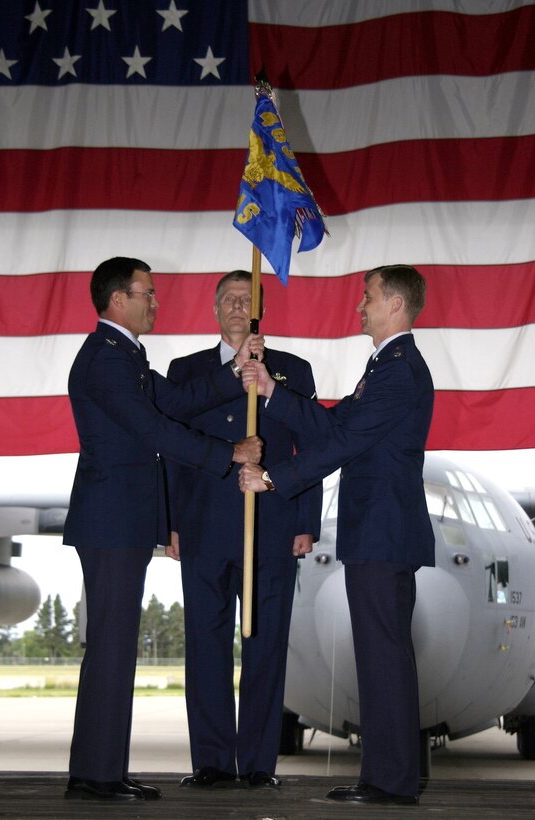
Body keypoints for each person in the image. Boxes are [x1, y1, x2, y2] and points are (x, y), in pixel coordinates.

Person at [63, 257, 263, 803]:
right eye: (147, 294)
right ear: (117, 300)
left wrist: (233, 371)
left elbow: (176, 401)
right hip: (111, 522)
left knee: (114, 646)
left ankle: (99, 769)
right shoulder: (107, 360)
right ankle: (97, 776)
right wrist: (229, 454)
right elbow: (156, 428)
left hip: (119, 521)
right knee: (110, 647)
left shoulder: (124, 356)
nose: (156, 302)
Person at [239, 264, 435, 806]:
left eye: (368, 297)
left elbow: (343, 442)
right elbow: (333, 426)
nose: (360, 306)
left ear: (395, 304)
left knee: (384, 657)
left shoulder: (398, 370)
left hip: (383, 532)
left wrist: (274, 478)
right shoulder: (384, 367)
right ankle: (385, 777)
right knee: (378, 657)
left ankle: (391, 782)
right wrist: (271, 390)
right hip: (376, 531)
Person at [166, 270, 322, 788]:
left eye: (246, 298)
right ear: (214, 308)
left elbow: (311, 449)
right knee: (205, 646)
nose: (237, 306)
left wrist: (306, 522)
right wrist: (170, 523)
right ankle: (211, 761)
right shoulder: (185, 371)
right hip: (204, 527)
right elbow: (171, 449)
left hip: (274, 528)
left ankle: (258, 764)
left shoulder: (292, 370)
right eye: (228, 299)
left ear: (260, 308)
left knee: (266, 646)